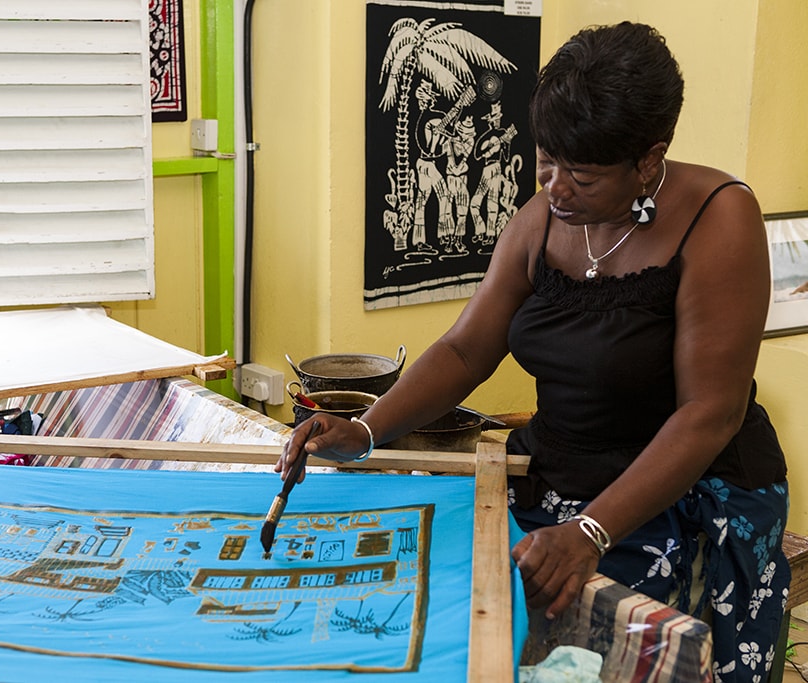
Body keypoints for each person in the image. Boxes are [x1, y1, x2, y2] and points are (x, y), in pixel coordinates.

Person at [276, 22, 789, 681]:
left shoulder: (718, 219)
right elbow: (466, 348)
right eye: (546, 160)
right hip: (565, 473)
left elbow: (708, 413)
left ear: (649, 160)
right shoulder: (543, 217)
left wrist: (591, 533)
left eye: (581, 173)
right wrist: (367, 429)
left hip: (685, 489)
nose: (554, 185)